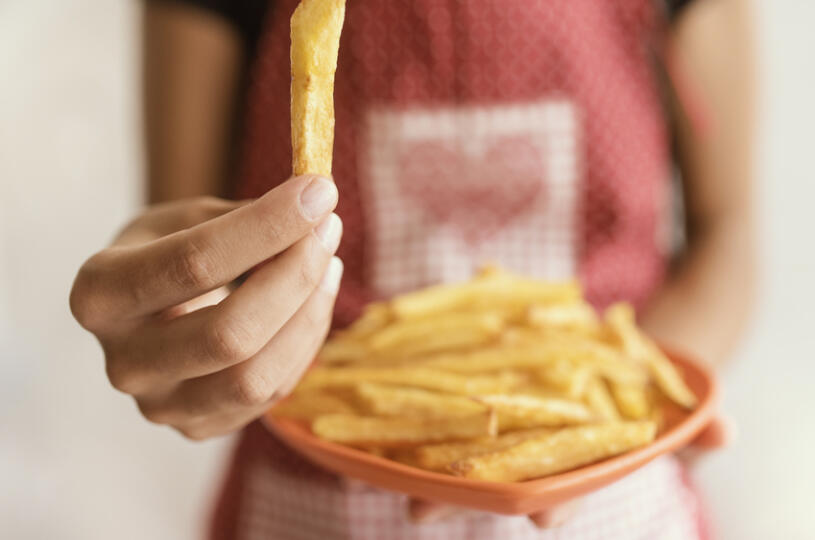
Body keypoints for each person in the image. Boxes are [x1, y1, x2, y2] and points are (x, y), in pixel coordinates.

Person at [69, 0, 754, 537]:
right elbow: (188, 242)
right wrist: (178, 327)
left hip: (614, 501)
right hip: (310, 497)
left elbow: (728, 228)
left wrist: (636, 407)